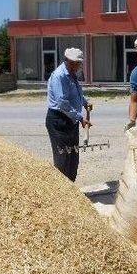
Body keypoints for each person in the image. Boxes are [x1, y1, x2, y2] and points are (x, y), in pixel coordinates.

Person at [45, 47, 92, 182]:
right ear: (65, 61)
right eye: (72, 63)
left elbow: (74, 93)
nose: (74, 67)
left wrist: (84, 102)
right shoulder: (59, 76)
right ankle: (61, 193)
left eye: (77, 64)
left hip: (71, 121)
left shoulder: (71, 74)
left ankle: (70, 190)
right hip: (59, 121)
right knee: (62, 160)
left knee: (73, 158)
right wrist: (80, 118)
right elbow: (62, 103)